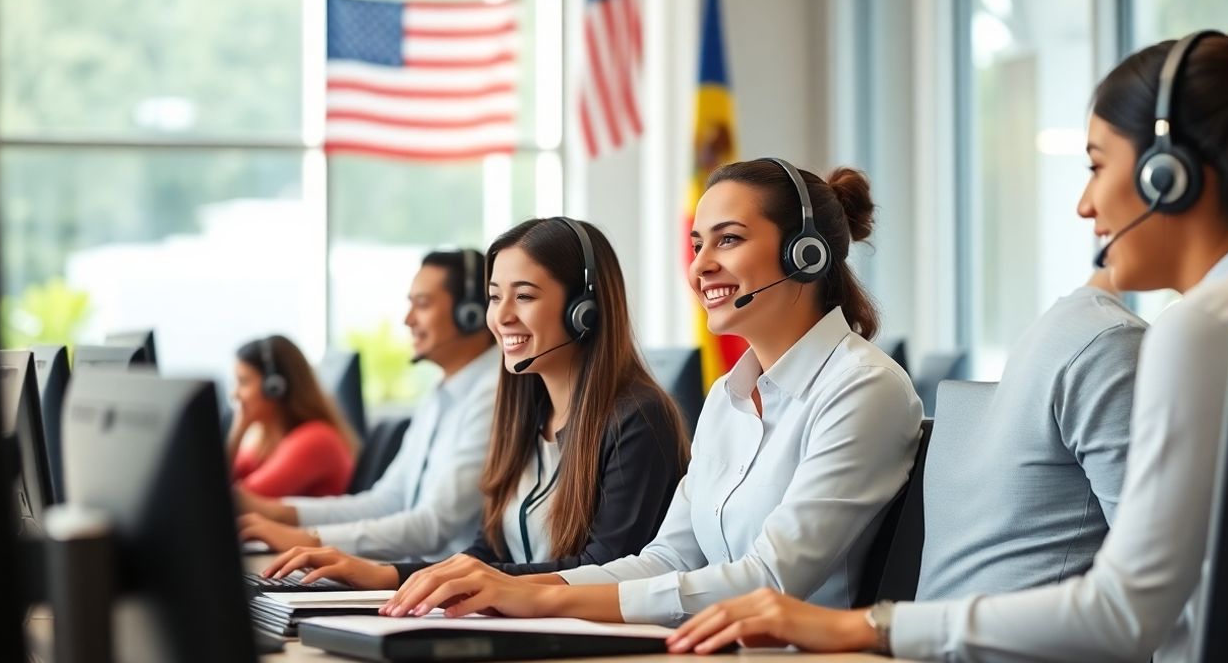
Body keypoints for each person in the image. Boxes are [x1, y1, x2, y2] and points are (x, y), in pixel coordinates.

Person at [666, 0, 1228, 662]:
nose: (1083, 204)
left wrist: (868, 628)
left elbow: (1126, 613)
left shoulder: (1199, 331)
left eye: (1097, 165)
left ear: (1170, 176)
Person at [367, 158, 923, 625]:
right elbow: (668, 557)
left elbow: (771, 579)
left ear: (806, 253)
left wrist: (544, 595)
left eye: (728, 240)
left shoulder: (863, 388)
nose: (700, 266)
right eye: (697, 244)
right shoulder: (728, 398)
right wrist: (537, 589)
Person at [261, 217, 692, 588]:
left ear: (584, 309)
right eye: (494, 296)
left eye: (523, 296)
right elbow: (487, 552)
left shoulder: (637, 418)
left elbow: (603, 569)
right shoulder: (525, 412)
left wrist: (454, 583)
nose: (501, 316)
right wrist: (386, 575)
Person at [236, 250, 499, 560]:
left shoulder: (494, 396)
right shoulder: (438, 395)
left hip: (443, 588)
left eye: (423, 304)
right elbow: (387, 501)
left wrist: (307, 539)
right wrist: (276, 513)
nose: (407, 319)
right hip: (411, 578)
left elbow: (432, 527)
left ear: (470, 313)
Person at [914, 268, 1145, 602]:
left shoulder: (1074, 333)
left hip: (940, 638)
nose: (1085, 211)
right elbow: (1160, 589)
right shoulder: (1106, 341)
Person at [229, 334, 360, 498]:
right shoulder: (266, 439)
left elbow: (237, 500)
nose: (234, 394)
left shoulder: (316, 438)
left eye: (243, 382)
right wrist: (240, 429)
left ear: (274, 387)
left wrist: (238, 429)